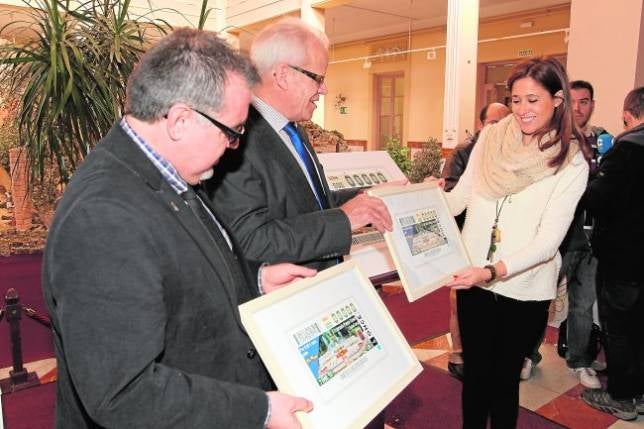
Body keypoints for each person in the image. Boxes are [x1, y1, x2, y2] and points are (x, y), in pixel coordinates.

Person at [42, 28, 318, 428]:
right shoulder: (103, 217)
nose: (234, 146)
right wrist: (258, 410)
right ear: (181, 120)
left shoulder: (163, 169)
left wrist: (254, 281)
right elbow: (124, 393)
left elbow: (180, 271)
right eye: (232, 131)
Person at [442, 57, 590, 428]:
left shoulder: (570, 160)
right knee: (474, 375)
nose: (522, 110)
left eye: (533, 100)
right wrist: (412, 199)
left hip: (523, 287)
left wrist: (490, 271)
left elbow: (547, 242)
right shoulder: (491, 138)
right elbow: (458, 199)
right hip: (473, 278)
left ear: (557, 100)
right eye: (516, 100)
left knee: (504, 381)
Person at [205, 18, 392, 271]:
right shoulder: (237, 140)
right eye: (318, 78)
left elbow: (311, 202)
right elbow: (250, 242)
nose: (324, 89)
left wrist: (368, 196)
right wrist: (344, 219)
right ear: (283, 75)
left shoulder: (293, 130)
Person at [521, 80, 612, 384]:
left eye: (585, 101)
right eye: (573, 102)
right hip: (555, 239)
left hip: (590, 239)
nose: (579, 108)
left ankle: (580, 360)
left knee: (583, 302)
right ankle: (527, 355)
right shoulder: (551, 141)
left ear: (592, 104)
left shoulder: (604, 141)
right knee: (539, 300)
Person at [581, 86, 644, 421]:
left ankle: (621, 396)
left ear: (626, 113)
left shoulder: (626, 149)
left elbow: (597, 199)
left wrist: (592, 175)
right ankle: (639, 390)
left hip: (623, 257)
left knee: (619, 326)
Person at [440, 102, 511, 380]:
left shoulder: (509, 153)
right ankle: (458, 352)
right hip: (465, 237)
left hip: (495, 245)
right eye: (494, 123)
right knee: (460, 301)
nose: (500, 128)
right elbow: (454, 196)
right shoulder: (465, 152)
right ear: (482, 125)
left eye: (506, 122)